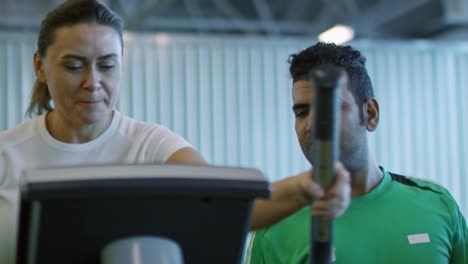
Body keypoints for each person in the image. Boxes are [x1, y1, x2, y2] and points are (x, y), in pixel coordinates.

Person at [0, 1, 352, 263]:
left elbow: (222, 209)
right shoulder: (6, 155)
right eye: (75, 65)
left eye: (107, 65)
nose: (93, 83)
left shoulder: (152, 146)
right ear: (40, 67)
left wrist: (304, 187)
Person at [247, 42, 468, 263]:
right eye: (302, 112)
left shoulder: (436, 205)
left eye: (329, 107)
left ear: (370, 114)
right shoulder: (274, 227)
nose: (312, 124)